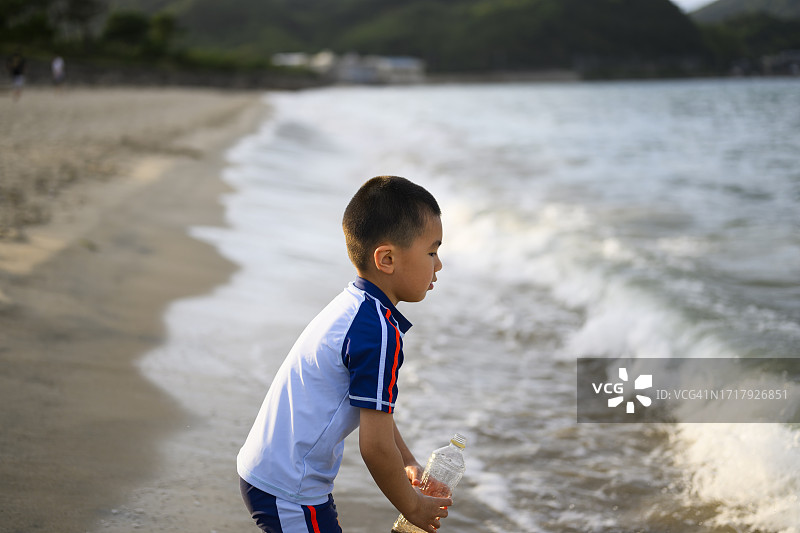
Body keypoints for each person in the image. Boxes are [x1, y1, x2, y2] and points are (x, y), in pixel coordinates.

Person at [237, 176, 449, 533]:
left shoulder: (356, 306)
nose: (438, 264)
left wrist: (408, 461)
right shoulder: (378, 332)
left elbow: (372, 408)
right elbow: (375, 447)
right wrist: (413, 507)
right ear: (387, 259)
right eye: (432, 251)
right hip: (290, 487)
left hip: (278, 473)